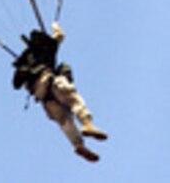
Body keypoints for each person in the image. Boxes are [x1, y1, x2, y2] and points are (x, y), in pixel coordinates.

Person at [12, 22, 108, 162]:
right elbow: (59, 36)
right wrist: (55, 25)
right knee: (74, 100)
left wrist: (22, 70)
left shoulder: (24, 64)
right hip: (52, 83)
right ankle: (87, 123)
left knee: (64, 120)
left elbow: (16, 84)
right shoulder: (47, 49)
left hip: (43, 97)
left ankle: (78, 145)